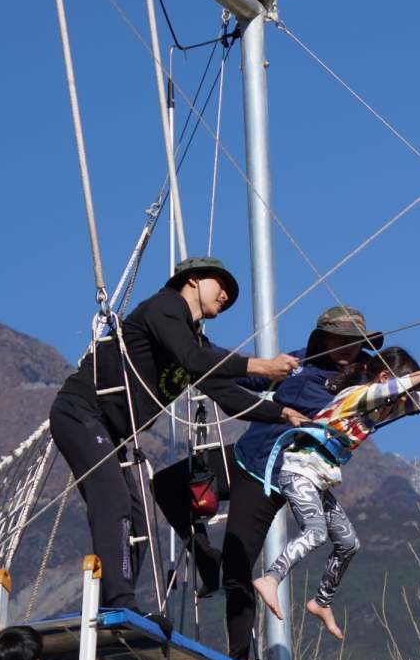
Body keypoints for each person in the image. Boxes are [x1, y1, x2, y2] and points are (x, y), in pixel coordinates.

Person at [48, 257, 302, 618]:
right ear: (193, 280)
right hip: (83, 412)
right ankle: (119, 605)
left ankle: (115, 604)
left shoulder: (194, 341)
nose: (227, 295)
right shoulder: (165, 307)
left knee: (137, 521)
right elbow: (195, 359)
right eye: (221, 284)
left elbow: (227, 393)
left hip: (112, 432)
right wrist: (260, 365)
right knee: (114, 504)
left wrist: (280, 412)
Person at [252, 346, 420, 640]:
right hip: (298, 470)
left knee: (349, 543)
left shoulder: (377, 411)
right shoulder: (357, 396)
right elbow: (401, 386)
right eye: (399, 389)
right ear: (381, 379)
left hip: (318, 480)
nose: (403, 400)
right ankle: (271, 578)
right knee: (315, 533)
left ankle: (321, 601)